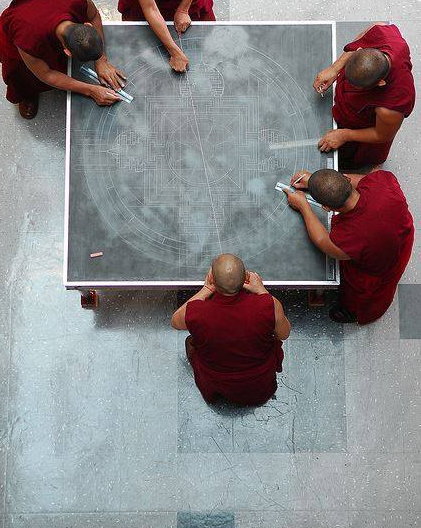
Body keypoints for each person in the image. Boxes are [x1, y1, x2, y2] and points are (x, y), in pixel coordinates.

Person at [284, 168, 414, 325]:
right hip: (402, 237)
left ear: (326, 207)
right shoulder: (382, 181)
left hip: (378, 265)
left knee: (364, 296)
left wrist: (303, 206)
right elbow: (365, 177)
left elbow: (323, 241)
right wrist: (314, 180)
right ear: (345, 179)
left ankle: (352, 312)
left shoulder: (348, 236)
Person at [171, 254, 290, 407]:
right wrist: (262, 291)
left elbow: (175, 321)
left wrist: (206, 289)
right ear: (246, 278)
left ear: (212, 279)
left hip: (216, 380)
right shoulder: (268, 305)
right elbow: (284, 334)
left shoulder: (198, 312)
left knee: (190, 340)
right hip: (260, 381)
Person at [0, 0, 126, 119]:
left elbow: (94, 15)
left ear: (87, 25)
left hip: (42, 13)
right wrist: (90, 90)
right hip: (17, 29)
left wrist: (101, 60)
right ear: (67, 52)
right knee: (24, 76)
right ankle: (27, 96)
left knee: (63, 68)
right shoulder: (28, 39)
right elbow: (47, 75)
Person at [313, 23, 415, 168]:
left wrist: (345, 135)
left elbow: (383, 135)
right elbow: (372, 29)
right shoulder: (386, 36)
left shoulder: (393, 105)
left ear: (380, 83)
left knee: (350, 157)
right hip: (349, 109)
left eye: (357, 87)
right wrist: (335, 68)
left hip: (363, 127)